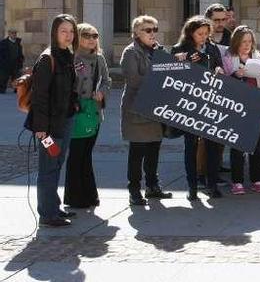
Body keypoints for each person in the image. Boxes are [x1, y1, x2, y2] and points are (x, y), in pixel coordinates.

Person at [29, 14, 79, 227]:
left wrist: (74, 105)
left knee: (57, 163)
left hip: (65, 120)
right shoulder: (47, 58)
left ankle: (53, 206)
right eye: (63, 31)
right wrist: (40, 129)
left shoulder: (67, 56)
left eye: (71, 31)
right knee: (48, 166)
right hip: (49, 128)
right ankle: (47, 214)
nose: (68, 36)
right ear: (55, 33)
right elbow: (39, 97)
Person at [120, 16, 173, 206]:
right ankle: (134, 191)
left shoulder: (159, 51)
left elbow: (171, 73)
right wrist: (161, 79)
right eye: (147, 30)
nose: (152, 33)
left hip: (156, 110)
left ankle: (152, 186)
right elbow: (134, 80)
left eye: (154, 29)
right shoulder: (130, 52)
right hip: (137, 110)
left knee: (153, 150)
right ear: (136, 33)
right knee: (138, 152)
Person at [171, 16, 225, 200]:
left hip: (211, 101)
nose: (203, 37)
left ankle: (212, 184)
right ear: (190, 33)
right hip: (190, 103)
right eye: (199, 34)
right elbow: (171, 75)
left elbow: (219, 65)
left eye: (206, 33)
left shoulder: (212, 48)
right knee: (191, 146)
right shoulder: (179, 49)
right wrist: (184, 62)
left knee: (214, 145)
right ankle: (192, 186)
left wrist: (219, 70)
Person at [64, 23, 111, 209]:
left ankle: (90, 195)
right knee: (76, 155)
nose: (91, 39)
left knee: (86, 155)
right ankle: (74, 197)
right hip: (75, 112)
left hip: (94, 112)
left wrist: (101, 91)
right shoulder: (70, 58)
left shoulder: (99, 58)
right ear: (78, 37)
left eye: (94, 36)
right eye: (86, 35)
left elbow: (107, 81)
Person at [222, 26, 260, 195]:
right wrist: (236, 75)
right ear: (236, 42)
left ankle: (256, 180)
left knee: (257, 146)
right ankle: (237, 181)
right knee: (237, 146)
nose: (247, 45)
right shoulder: (228, 58)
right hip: (236, 107)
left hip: (255, 105)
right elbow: (223, 83)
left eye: (249, 41)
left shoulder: (258, 57)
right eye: (243, 41)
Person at [0, 28, 24, 93]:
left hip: (16, 64)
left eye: (15, 33)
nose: (14, 34)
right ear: (9, 34)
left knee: (16, 78)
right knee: (3, 78)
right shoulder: (3, 42)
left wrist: (21, 61)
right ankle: (2, 89)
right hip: (6, 64)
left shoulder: (18, 43)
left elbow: (20, 53)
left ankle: (16, 90)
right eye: (12, 33)